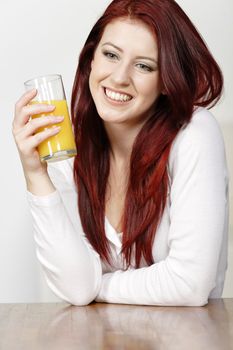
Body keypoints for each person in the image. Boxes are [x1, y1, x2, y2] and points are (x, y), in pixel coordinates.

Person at [12, 0, 229, 306]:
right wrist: (35, 174)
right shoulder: (70, 149)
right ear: (91, 60)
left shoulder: (194, 133)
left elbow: (189, 284)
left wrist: (99, 287)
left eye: (143, 65)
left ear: (166, 80)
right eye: (110, 55)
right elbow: (76, 289)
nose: (119, 77)